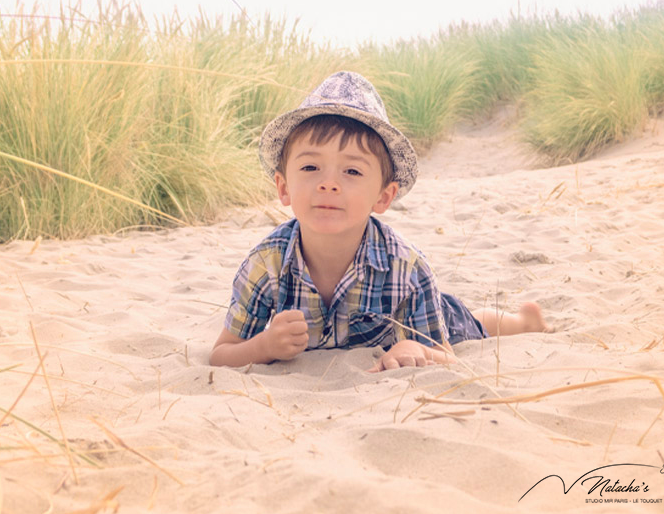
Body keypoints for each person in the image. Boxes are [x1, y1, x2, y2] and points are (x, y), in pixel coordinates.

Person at [209, 71, 548, 371]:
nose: (328, 183)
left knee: (469, 323)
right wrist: (263, 346)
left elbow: (447, 356)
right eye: (310, 167)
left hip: (423, 317)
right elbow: (222, 353)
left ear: (383, 197)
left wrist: (413, 347)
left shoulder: (407, 268)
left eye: (352, 171)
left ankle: (522, 322)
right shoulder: (266, 263)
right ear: (283, 187)